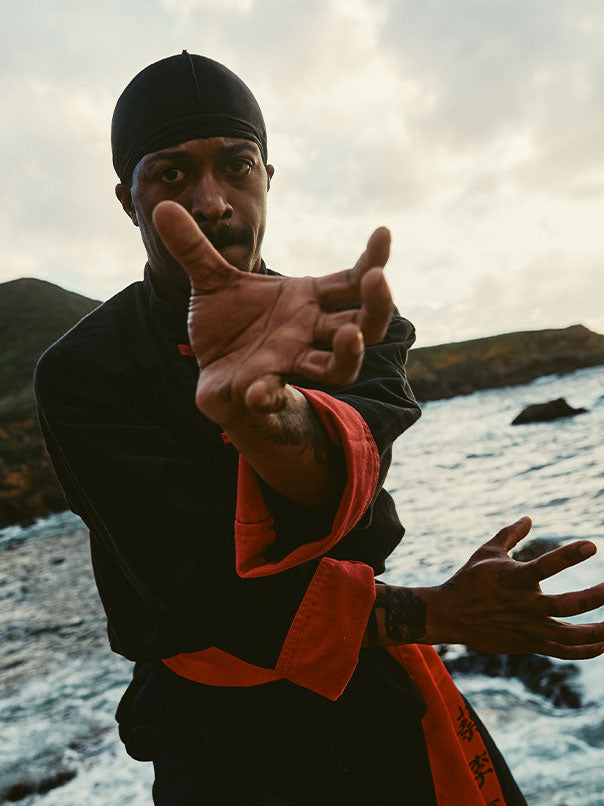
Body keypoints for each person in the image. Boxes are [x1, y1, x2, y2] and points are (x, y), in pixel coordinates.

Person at [35, 52, 604, 805]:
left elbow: (335, 481)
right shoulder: (85, 371)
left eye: (236, 165)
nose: (212, 202)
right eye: (170, 174)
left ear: (269, 175)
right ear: (125, 198)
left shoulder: (356, 326)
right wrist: (438, 611)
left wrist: (266, 411)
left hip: (378, 697)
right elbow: (194, 582)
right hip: (217, 741)